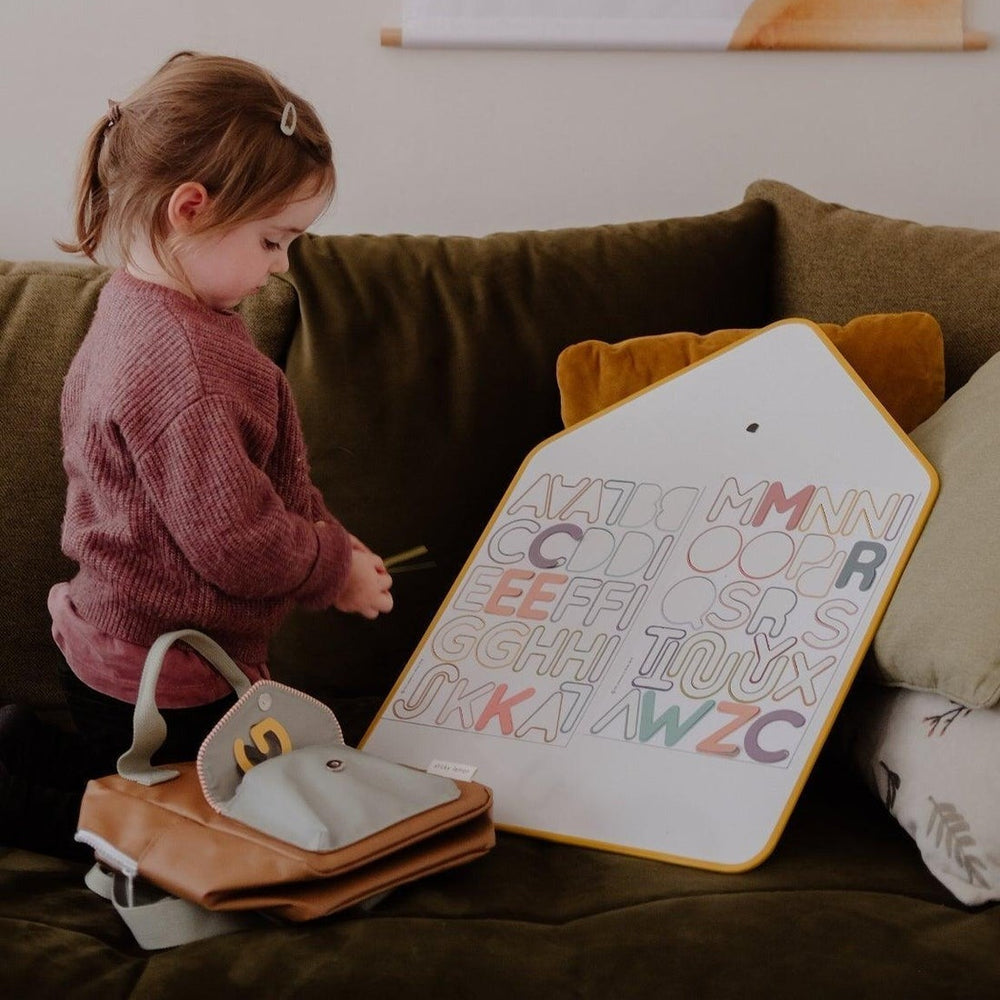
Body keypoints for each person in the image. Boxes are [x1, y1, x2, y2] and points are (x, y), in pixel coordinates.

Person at [0, 51, 393, 858]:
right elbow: (237, 541)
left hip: (111, 633)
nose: (283, 263)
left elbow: (249, 475)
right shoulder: (185, 365)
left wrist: (330, 538)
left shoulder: (137, 302)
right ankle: (26, 802)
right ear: (190, 207)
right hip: (164, 668)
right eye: (274, 239)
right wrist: (331, 567)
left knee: (125, 769)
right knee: (170, 835)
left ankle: (29, 748)